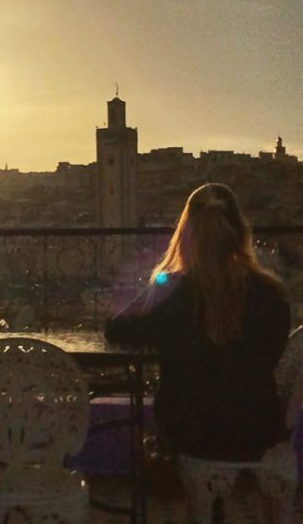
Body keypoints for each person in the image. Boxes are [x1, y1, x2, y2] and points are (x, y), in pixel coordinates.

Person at [105, 183, 291, 461]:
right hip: (256, 430)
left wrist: (152, 292)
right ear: (239, 231)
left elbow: (117, 329)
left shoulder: (174, 293)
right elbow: (272, 355)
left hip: (190, 431)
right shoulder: (270, 292)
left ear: (186, 234)